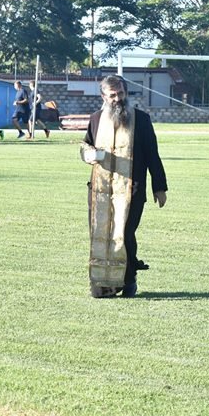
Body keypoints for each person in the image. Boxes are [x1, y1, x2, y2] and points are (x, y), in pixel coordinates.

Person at [81, 75, 167, 298]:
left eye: (120, 94)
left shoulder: (142, 120)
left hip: (132, 189)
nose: (117, 99)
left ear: (126, 93)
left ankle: (128, 281)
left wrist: (160, 187)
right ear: (103, 97)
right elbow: (86, 145)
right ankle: (102, 283)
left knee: (123, 233)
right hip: (100, 191)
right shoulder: (96, 119)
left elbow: (152, 155)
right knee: (101, 235)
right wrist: (88, 155)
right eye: (112, 95)